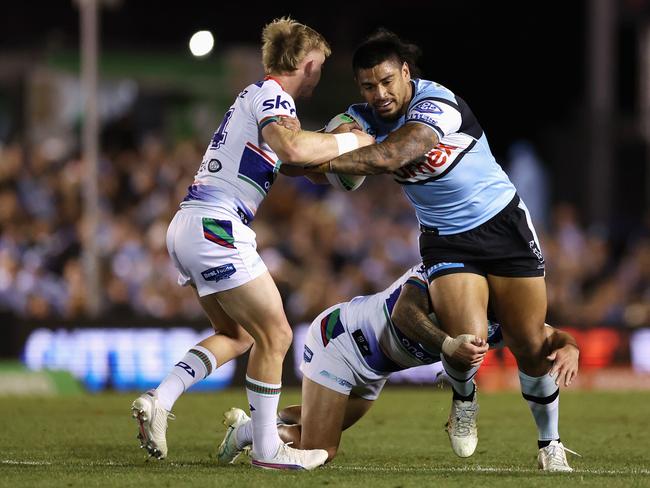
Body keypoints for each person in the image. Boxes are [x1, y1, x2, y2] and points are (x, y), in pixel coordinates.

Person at [296, 28, 575, 470]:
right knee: (470, 339)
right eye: (369, 86)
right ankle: (464, 402)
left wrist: (320, 159)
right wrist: (298, 151)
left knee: (527, 341)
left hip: (504, 225)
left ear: (405, 72)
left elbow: (391, 155)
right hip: (446, 237)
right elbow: (323, 158)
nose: (380, 93)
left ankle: (550, 444)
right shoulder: (361, 117)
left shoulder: (437, 104)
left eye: (387, 81)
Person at [130, 17, 374, 471]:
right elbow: (294, 148)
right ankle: (267, 448)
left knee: (238, 336)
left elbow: (297, 163)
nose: (319, 74)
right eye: (318, 65)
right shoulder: (273, 96)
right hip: (217, 224)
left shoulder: (256, 98)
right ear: (305, 63)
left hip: (191, 222)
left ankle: (158, 401)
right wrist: (349, 139)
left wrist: (346, 155)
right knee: (277, 334)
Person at [216, 264, 580, 471]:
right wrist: (447, 344)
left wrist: (572, 349)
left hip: (375, 367)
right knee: (321, 448)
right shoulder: (441, 275)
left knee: (324, 421)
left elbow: (548, 337)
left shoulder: (502, 318)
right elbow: (404, 313)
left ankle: (257, 423)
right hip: (341, 341)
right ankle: (249, 435)